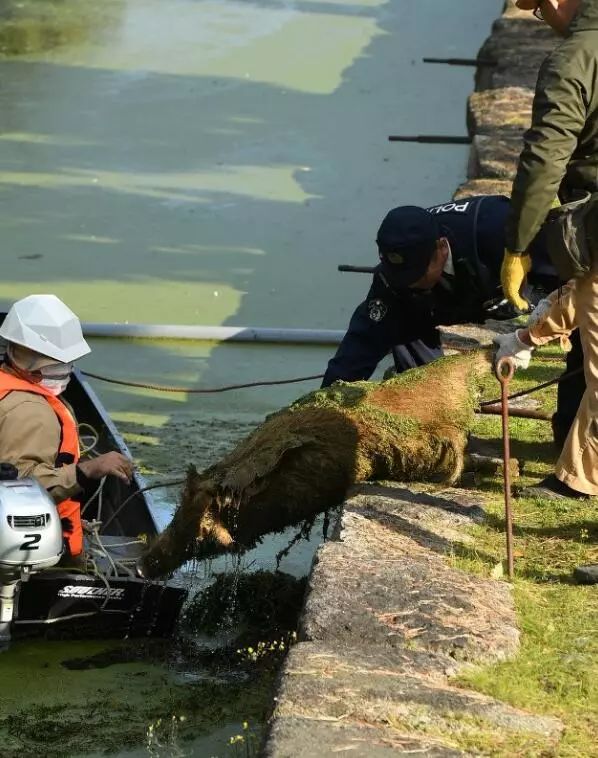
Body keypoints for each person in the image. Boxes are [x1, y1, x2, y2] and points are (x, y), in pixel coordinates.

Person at [322, 194, 556, 388]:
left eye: (419, 273)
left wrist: (528, 338)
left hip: (526, 288)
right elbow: (361, 344)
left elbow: (580, 287)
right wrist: (324, 412)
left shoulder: (498, 231)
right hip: (452, 305)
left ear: (442, 248)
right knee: (400, 318)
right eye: (403, 277)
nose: (412, 283)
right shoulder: (393, 281)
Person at [501, 0, 590, 445]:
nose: (544, 21)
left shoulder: (574, 58)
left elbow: (544, 159)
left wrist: (518, 246)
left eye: (538, 10)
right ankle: (568, 458)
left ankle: (576, 484)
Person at [0, 294, 134, 560]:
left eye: (65, 362)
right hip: (31, 559)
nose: (63, 371)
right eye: (55, 362)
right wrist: (87, 470)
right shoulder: (32, 412)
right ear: (27, 357)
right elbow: (20, 487)